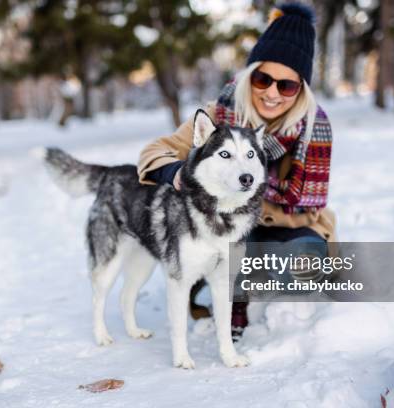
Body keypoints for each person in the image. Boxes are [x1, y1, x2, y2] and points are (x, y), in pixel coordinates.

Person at [136, 2, 336, 338]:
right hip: (222, 224)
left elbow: (307, 211)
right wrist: (177, 174)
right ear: (250, 75)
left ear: (301, 90)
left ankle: (245, 283)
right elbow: (155, 152)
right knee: (223, 240)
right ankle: (227, 291)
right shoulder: (220, 115)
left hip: (281, 226)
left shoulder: (313, 130)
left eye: (286, 86)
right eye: (263, 79)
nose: (272, 93)